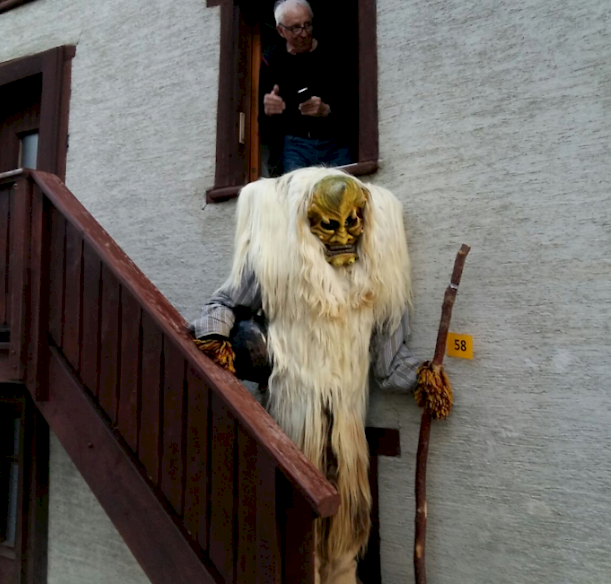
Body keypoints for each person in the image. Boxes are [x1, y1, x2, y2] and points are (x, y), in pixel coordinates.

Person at [192, 168, 452, 584]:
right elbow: (221, 303)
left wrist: (422, 377)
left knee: (345, 533)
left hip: (346, 429)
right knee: (299, 532)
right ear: (308, 224)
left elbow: (387, 365)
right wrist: (214, 337)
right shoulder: (276, 272)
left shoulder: (377, 285)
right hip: (293, 423)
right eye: (329, 225)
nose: (344, 235)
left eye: (354, 222)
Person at [261, 0, 353, 174]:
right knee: (298, 197)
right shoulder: (271, 61)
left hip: (335, 140)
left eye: (307, 25)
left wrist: (327, 111)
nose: (304, 34)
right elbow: (262, 120)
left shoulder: (335, 52)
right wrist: (269, 110)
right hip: (295, 145)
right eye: (295, 28)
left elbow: (355, 101)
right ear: (281, 31)